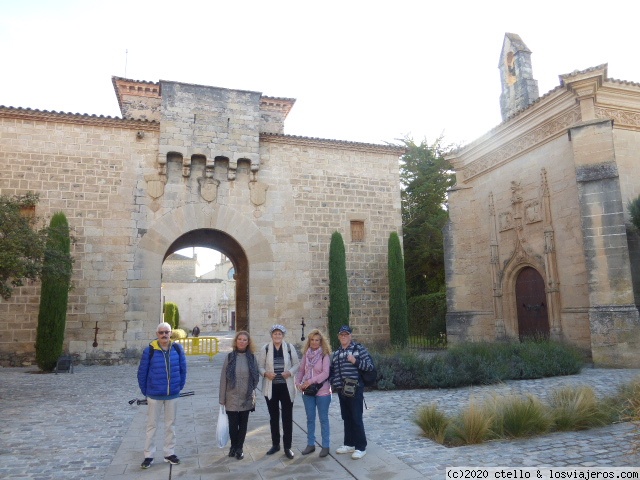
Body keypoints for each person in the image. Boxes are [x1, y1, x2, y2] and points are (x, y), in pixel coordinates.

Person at [137, 322, 187, 469]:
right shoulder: (150, 350)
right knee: (152, 426)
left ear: (171, 333)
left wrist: (178, 387)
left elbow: (183, 370)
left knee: (170, 425)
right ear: (157, 334)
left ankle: (169, 453)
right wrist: (146, 391)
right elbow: (142, 372)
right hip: (154, 394)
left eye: (167, 332)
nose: (164, 335)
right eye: (161, 332)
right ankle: (149, 455)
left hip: (172, 394)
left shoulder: (177, 349)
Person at [329, 325, 374, 460]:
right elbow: (333, 371)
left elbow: (370, 366)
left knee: (356, 418)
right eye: (341, 335)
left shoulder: (358, 349)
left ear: (350, 336)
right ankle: (349, 444)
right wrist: (335, 383)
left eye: (346, 334)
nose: (344, 337)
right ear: (339, 337)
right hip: (342, 391)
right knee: (346, 418)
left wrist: (355, 361)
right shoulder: (336, 353)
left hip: (355, 390)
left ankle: (361, 447)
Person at [258, 324, 300, 459]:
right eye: (275, 334)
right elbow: (260, 366)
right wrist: (265, 374)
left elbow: (296, 364)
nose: (277, 336)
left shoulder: (289, 347)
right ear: (272, 335)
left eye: (280, 334)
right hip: (271, 387)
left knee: (287, 417)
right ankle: (275, 444)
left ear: (283, 335)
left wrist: (290, 372)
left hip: (286, 387)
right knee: (274, 417)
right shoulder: (265, 348)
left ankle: (287, 447)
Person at [219, 330, 259, 460]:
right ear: (236, 341)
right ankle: (233, 446)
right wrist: (222, 398)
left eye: (244, 340)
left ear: (248, 343)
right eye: (240, 339)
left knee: (243, 424)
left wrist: (251, 391)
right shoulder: (230, 357)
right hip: (231, 395)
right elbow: (223, 378)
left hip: (246, 396)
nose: (242, 342)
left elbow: (256, 377)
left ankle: (239, 448)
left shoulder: (252, 358)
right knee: (232, 424)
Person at [295, 329, 332, 457]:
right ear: (309, 341)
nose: (314, 342)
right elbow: (301, 371)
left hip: (322, 392)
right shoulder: (306, 355)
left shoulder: (324, 355)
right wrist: (298, 383)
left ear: (321, 342)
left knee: (323, 419)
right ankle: (310, 444)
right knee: (310, 419)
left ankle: (325, 446)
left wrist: (310, 381)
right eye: (312, 340)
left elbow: (325, 373)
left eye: (317, 340)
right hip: (308, 392)